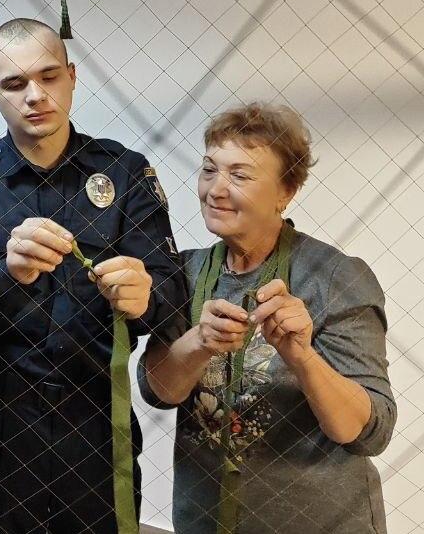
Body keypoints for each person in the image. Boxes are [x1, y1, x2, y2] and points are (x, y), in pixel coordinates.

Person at [0, 17, 187, 533]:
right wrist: (9, 273)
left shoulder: (124, 172)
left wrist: (145, 298)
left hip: (96, 418)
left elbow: (171, 291)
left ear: (72, 77)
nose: (35, 95)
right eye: (14, 84)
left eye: (49, 76)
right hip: (0, 420)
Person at [138, 102, 396, 533]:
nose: (215, 190)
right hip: (207, 523)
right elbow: (159, 392)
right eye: (209, 170)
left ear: (285, 192)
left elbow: (370, 433)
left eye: (240, 175)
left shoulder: (335, 277)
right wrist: (198, 342)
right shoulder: (184, 273)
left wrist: (302, 358)